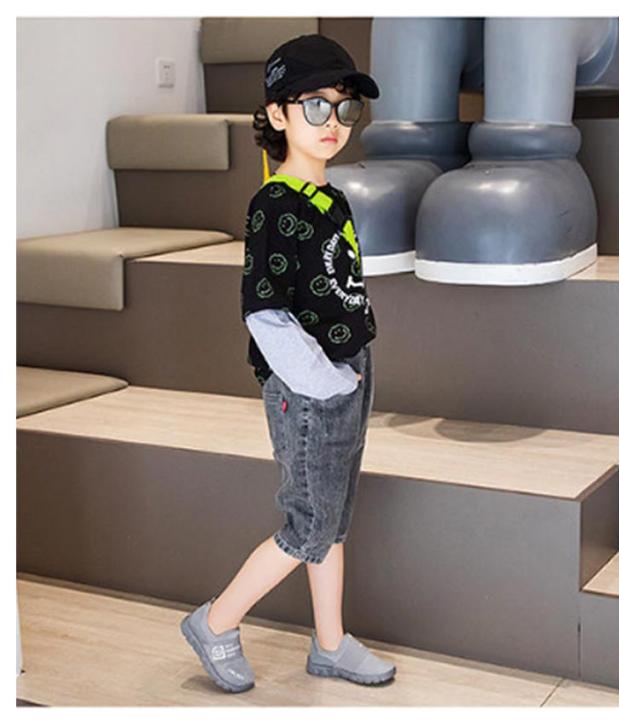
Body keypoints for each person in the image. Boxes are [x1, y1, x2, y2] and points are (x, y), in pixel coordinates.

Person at [180, 33, 395, 693]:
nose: (335, 122)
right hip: (309, 385)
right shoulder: (274, 205)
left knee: (333, 518)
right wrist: (326, 382)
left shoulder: (334, 198)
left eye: (345, 107)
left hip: (347, 369)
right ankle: (217, 621)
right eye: (315, 106)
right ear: (276, 113)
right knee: (308, 522)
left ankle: (329, 643)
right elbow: (266, 314)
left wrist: (350, 370)